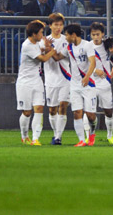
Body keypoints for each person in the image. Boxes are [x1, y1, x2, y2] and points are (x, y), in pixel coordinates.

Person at [53, 24, 98, 147]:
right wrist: (48, 49)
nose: (65, 37)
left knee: (90, 115)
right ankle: (82, 140)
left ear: (73, 35)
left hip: (89, 84)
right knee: (77, 112)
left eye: (67, 35)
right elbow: (57, 57)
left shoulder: (87, 45)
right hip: (75, 85)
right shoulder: (69, 48)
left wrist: (87, 76)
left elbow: (93, 63)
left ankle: (92, 132)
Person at [16, 20, 57, 146]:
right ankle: (24, 136)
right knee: (27, 112)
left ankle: (35, 138)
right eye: (40, 32)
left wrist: (47, 47)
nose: (42, 35)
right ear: (33, 34)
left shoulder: (37, 43)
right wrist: (53, 51)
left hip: (37, 81)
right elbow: (43, 58)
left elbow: (42, 51)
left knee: (39, 108)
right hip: (24, 82)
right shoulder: (27, 45)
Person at [40, 13, 70, 145]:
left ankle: (58, 137)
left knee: (63, 107)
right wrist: (45, 48)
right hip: (51, 79)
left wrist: (49, 48)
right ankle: (55, 133)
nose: (58, 27)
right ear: (50, 26)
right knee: (52, 110)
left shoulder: (67, 40)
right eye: (56, 25)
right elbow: (40, 55)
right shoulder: (43, 40)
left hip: (65, 78)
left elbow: (58, 57)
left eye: (60, 25)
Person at [87, 22, 113, 145]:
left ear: (102, 34)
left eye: (98, 34)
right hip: (91, 83)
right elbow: (82, 65)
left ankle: (110, 135)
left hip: (104, 84)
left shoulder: (107, 45)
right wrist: (94, 70)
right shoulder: (87, 46)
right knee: (89, 112)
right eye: (93, 35)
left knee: (108, 111)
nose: (95, 37)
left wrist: (110, 76)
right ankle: (90, 136)